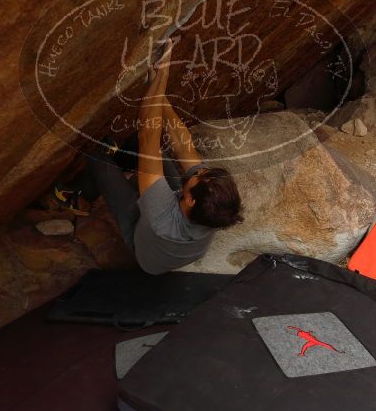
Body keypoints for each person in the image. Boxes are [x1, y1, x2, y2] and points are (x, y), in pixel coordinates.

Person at [54, 38, 243, 274]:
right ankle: (125, 164)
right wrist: (159, 94)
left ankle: (81, 198)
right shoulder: (214, 209)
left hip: (142, 246)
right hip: (170, 235)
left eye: (201, 174)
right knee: (144, 151)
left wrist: (162, 75)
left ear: (191, 200)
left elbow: (148, 133)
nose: (200, 169)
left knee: (97, 159)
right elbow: (183, 146)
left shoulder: (161, 216)